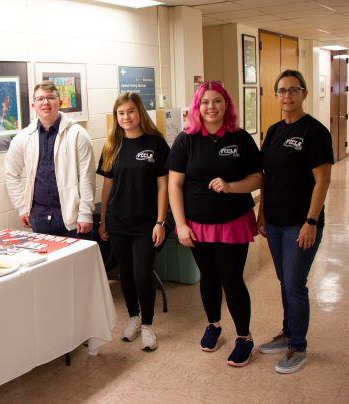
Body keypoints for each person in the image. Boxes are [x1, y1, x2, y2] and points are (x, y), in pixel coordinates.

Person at [167, 81, 262, 367]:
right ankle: (214, 325)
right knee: (208, 277)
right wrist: (181, 225)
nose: (211, 107)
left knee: (231, 279)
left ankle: (244, 338)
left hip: (233, 221)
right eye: (205, 102)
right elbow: (174, 184)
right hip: (197, 223)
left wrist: (231, 186)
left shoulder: (240, 138)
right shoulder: (186, 140)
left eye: (217, 101)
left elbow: (258, 179)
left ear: (226, 105)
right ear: (197, 107)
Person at [257, 70, 333, 374]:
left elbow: (323, 179)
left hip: (300, 224)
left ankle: (298, 346)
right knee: (284, 281)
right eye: (282, 91)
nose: (287, 96)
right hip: (274, 222)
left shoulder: (315, 132)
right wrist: (261, 214)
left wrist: (311, 221)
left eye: (293, 90)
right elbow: (267, 178)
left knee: (294, 283)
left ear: (303, 94)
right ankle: (287, 332)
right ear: (276, 96)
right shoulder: (273, 131)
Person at [96, 92, 169, 350]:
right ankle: (133, 318)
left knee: (141, 274)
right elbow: (107, 187)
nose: (126, 117)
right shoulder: (111, 146)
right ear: (116, 117)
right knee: (125, 274)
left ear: (139, 113)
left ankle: (148, 325)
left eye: (130, 111)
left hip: (146, 223)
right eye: (121, 113)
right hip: (118, 222)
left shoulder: (156, 144)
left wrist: (161, 222)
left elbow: (164, 186)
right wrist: (104, 221)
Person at [5, 80, 95, 238]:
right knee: (48, 262)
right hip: (39, 217)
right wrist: (22, 207)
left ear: (59, 102)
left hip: (73, 217)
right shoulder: (23, 137)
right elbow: (11, 174)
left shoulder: (77, 134)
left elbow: (87, 176)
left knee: (76, 262)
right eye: (40, 99)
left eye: (50, 98)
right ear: (33, 105)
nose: (45, 102)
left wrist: (86, 213)